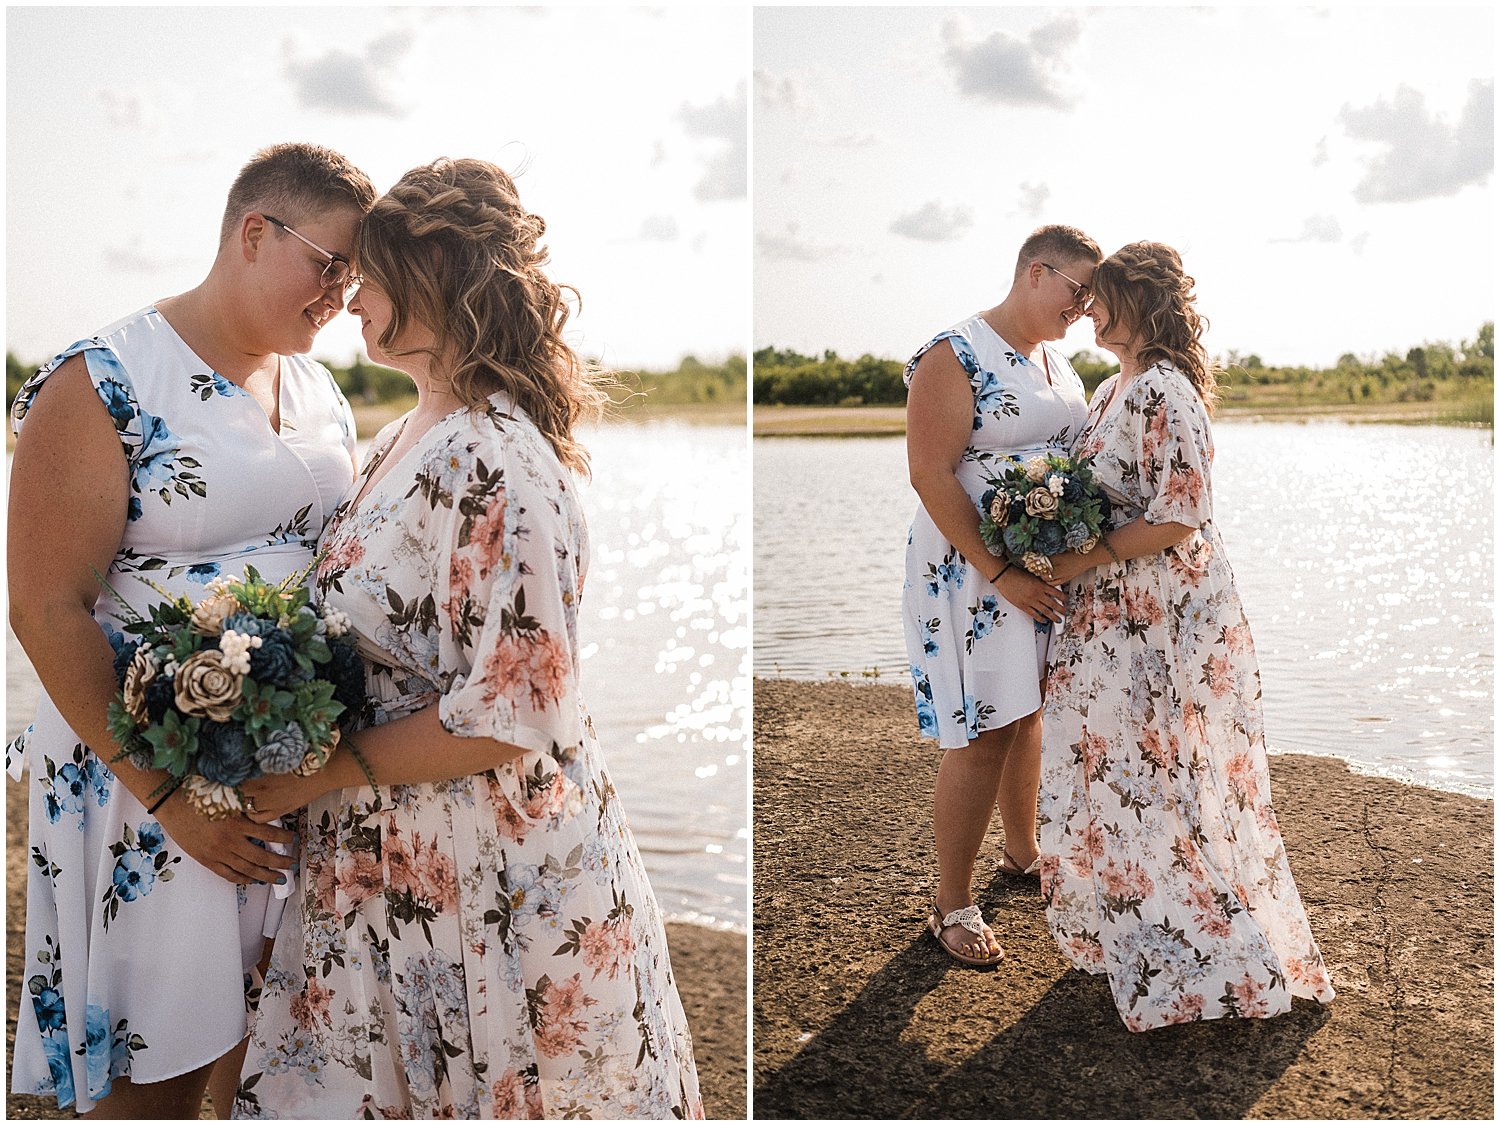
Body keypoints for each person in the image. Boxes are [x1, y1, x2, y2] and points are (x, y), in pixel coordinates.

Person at [233, 157, 704, 1119]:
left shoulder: (498, 458)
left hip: (484, 877)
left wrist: (316, 774)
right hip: (389, 859)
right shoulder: (409, 436)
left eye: (372, 272)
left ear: (436, 269)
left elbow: (514, 714)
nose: (351, 296)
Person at [7, 143, 376, 1116]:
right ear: (254, 233)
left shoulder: (320, 392)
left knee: (256, 1048)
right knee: (157, 1063)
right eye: (328, 263)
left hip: (277, 771)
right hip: (144, 774)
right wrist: (168, 790)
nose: (342, 293)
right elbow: (44, 604)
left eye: (357, 274)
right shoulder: (102, 380)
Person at [1038, 241, 1336, 1029]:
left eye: (1102, 298)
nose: (1089, 311)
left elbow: (1180, 514)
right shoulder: (1112, 388)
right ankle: (1135, 921)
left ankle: (1204, 940)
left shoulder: (1165, 388)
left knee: (1161, 764)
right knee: (1119, 765)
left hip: (1158, 614)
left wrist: (1085, 553)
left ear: (1142, 302)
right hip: (1109, 610)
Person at [903, 224, 1101, 967]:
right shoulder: (954, 353)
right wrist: (1002, 572)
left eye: (1092, 298)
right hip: (972, 570)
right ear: (1034, 272)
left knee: (1029, 711)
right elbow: (930, 473)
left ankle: (1023, 854)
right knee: (985, 728)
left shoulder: (1055, 359)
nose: (1083, 308)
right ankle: (950, 903)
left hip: (1037, 567)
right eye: (1076, 291)